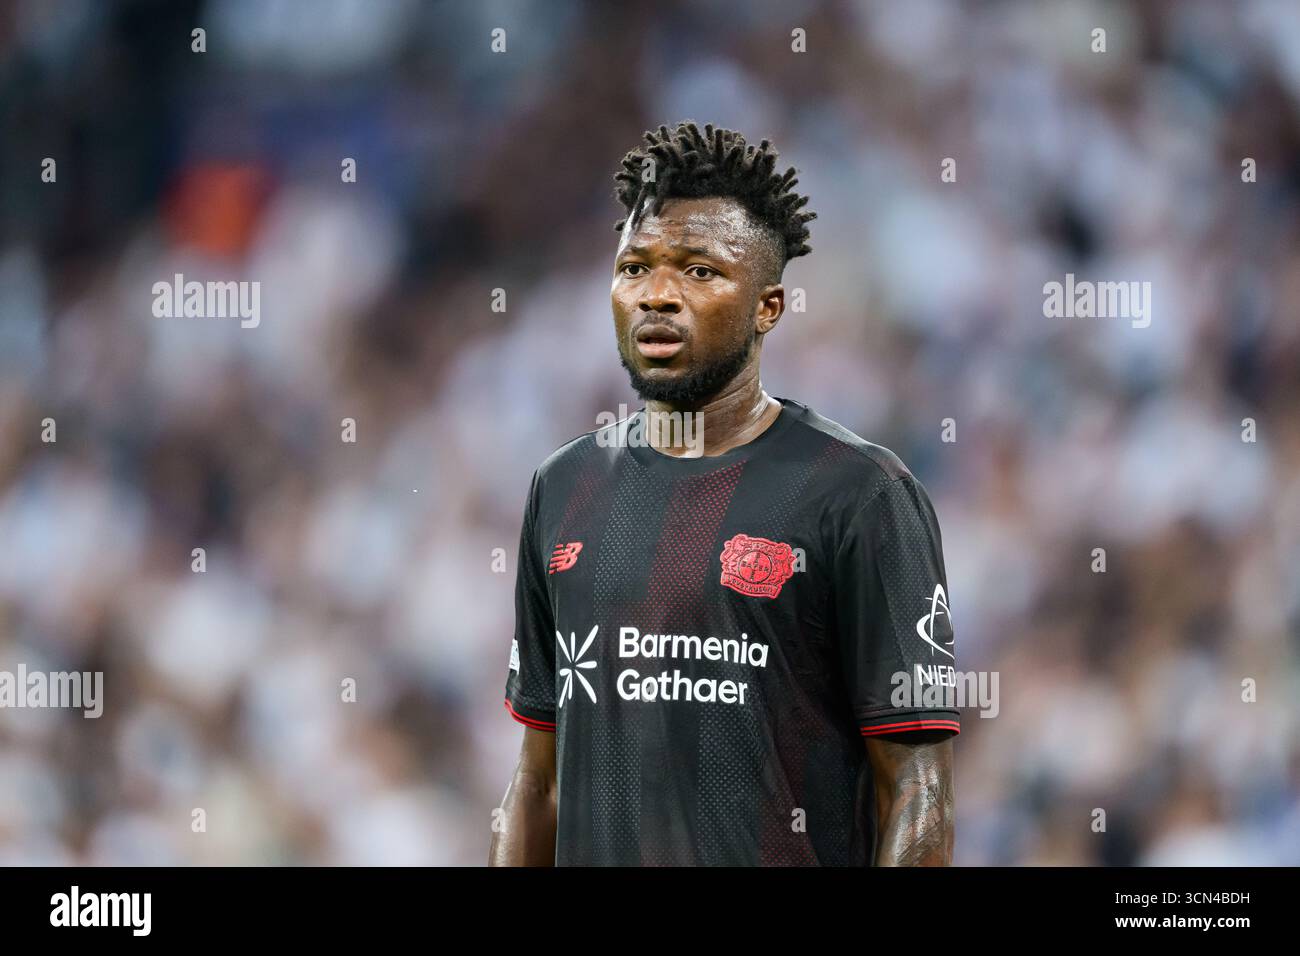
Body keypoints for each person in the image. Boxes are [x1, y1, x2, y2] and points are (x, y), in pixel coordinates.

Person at [489, 121, 957, 866]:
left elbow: (918, 795)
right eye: (636, 267)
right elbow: (536, 786)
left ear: (768, 307)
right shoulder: (562, 488)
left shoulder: (860, 496)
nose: (659, 295)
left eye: (700, 272)